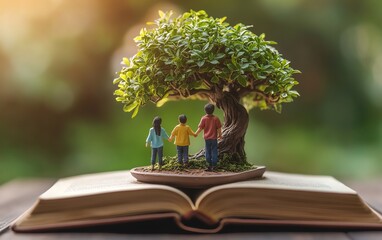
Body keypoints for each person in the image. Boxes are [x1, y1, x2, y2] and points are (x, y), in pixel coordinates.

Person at [195, 103, 222, 171]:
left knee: (207, 151)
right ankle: (214, 165)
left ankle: (208, 165)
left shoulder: (203, 118)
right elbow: (219, 128)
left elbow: (200, 128)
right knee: (214, 151)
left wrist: (196, 133)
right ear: (213, 110)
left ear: (205, 110)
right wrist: (220, 135)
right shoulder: (216, 118)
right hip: (214, 138)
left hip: (207, 138)